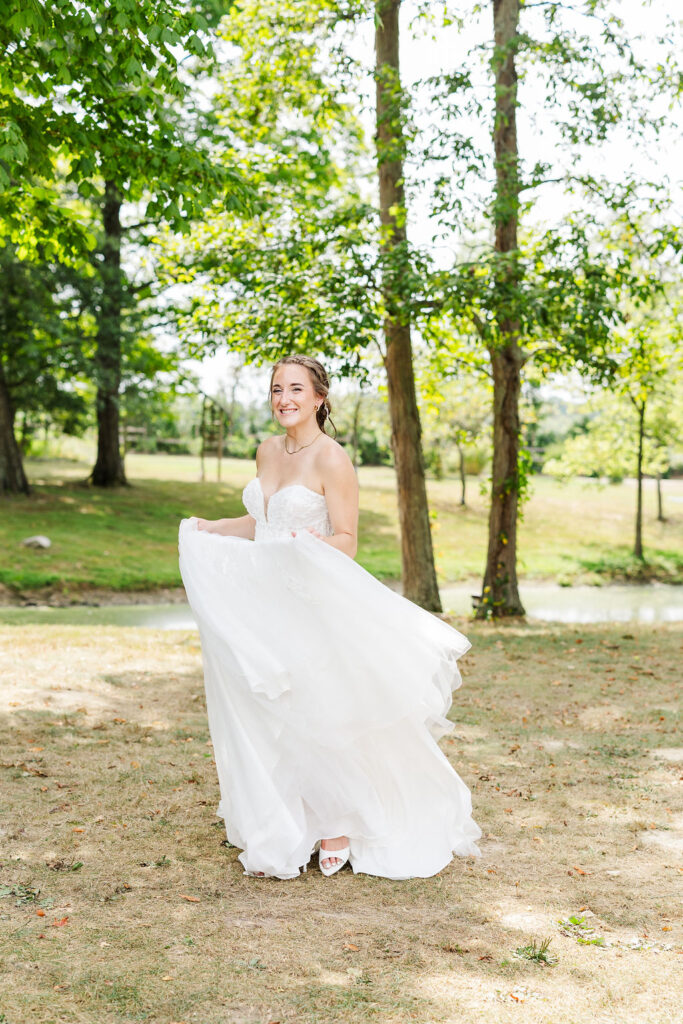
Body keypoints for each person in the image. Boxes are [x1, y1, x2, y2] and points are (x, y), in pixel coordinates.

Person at [178, 354, 483, 879]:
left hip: (309, 599)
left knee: (320, 707)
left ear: (319, 397)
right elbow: (261, 520)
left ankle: (341, 821)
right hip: (263, 601)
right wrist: (209, 527)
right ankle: (296, 812)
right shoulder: (266, 451)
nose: (284, 399)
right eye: (276, 389)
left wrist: (307, 547)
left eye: (295, 388)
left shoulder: (333, 460)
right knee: (273, 706)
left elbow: (346, 541)